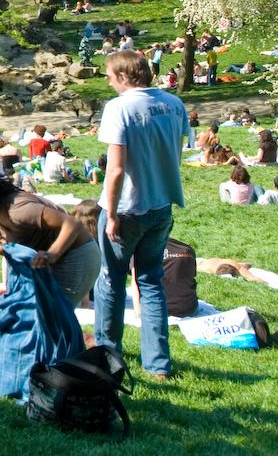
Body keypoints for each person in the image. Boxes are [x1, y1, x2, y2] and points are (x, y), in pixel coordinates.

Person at [94, 49, 191, 379]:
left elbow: (116, 169)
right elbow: (175, 155)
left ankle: (107, 358)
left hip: (126, 209)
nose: (108, 82)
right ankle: (158, 364)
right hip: (161, 204)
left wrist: (110, 212)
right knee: (150, 283)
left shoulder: (119, 108)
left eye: (109, 76)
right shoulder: (174, 104)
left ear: (123, 76)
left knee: (111, 281)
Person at [0, 158, 100, 306]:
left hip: (77, 255)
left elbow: (72, 224)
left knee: (49, 318)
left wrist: (52, 254)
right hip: (58, 258)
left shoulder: (19, 209)